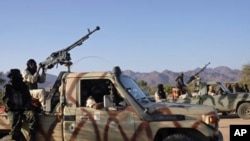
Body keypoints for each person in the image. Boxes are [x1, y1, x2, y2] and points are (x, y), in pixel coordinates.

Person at [2, 69, 38, 141]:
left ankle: (32, 135)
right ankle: (15, 137)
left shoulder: (24, 86)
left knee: (32, 116)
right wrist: (14, 108)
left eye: (14, 77)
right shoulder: (8, 88)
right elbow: (6, 101)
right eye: (11, 77)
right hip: (13, 109)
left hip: (24, 108)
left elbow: (28, 98)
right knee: (15, 121)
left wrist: (26, 106)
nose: (12, 79)